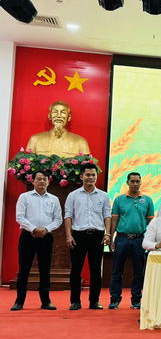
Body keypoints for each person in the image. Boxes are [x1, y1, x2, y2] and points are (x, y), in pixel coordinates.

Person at [12, 170, 62, 311]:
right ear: (32, 181)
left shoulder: (54, 199)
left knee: (45, 270)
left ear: (48, 181)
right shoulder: (24, 197)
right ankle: (19, 301)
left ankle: (46, 301)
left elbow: (58, 219)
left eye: (44, 179)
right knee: (24, 269)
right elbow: (20, 217)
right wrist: (34, 229)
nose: (42, 181)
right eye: (38, 179)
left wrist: (45, 230)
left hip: (46, 237)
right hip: (28, 236)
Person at [64, 163, 112, 311]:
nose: (90, 177)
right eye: (87, 175)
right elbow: (68, 216)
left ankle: (94, 301)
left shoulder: (103, 196)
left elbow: (107, 216)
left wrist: (107, 233)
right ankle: (75, 301)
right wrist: (68, 236)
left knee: (96, 270)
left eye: (93, 175)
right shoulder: (73, 195)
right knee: (76, 270)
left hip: (97, 235)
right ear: (81, 176)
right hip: (78, 235)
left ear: (96, 176)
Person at [108, 172, 155, 310]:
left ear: (141, 183)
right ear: (127, 183)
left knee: (139, 272)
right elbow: (114, 220)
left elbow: (151, 222)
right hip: (121, 239)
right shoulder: (119, 199)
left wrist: (151, 241)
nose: (135, 184)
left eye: (137, 181)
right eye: (132, 181)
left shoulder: (147, 200)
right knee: (117, 271)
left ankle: (136, 300)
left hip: (139, 240)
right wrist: (110, 238)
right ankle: (115, 299)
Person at [26, 100, 90, 157]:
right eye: (55, 112)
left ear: (69, 117)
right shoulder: (35, 140)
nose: (58, 115)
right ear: (49, 116)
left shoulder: (81, 142)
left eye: (63, 112)